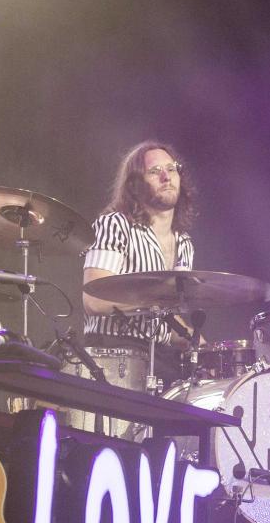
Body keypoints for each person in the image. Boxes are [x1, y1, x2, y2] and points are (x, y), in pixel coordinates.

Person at [82, 141, 199, 384]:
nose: (166, 177)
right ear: (135, 185)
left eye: (172, 168)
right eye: (155, 171)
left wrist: (211, 351)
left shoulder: (185, 243)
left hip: (160, 356)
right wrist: (154, 299)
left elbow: (168, 316)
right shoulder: (115, 225)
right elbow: (94, 301)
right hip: (113, 353)